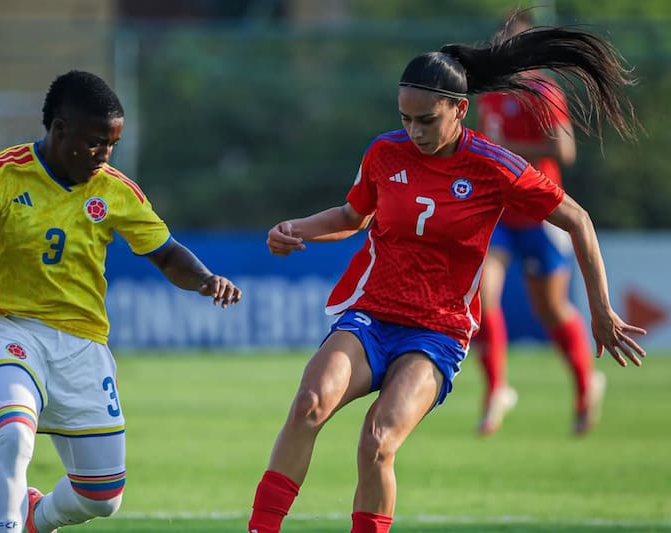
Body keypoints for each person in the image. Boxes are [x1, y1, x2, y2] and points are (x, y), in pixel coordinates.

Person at [247, 19, 645, 533]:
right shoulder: (384, 153)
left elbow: (578, 219)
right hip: (372, 316)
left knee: (377, 441)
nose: (414, 132)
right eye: (405, 118)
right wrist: (295, 229)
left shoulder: (493, 166)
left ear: (459, 109)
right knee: (308, 403)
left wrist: (600, 309)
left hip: (436, 333)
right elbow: (352, 217)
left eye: (427, 120)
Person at [0, 70, 241, 533]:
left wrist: (205, 280)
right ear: (60, 130)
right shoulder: (1, 173)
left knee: (102, 496)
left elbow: (165, 253)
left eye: (112, 144)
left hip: (81, 343)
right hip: (5, 325)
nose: (104, 155)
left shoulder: (116, 190)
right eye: (95, 142)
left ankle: (36, 518)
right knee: (14, 437)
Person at [473, 10, 605, 437]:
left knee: (549, 309)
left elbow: (564, 151)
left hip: (540, 210)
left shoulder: (543, 91)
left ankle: (586, 386)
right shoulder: (489, 94)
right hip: (499, 212)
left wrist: (507, 148)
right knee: (479, 295)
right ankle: (497, 389)